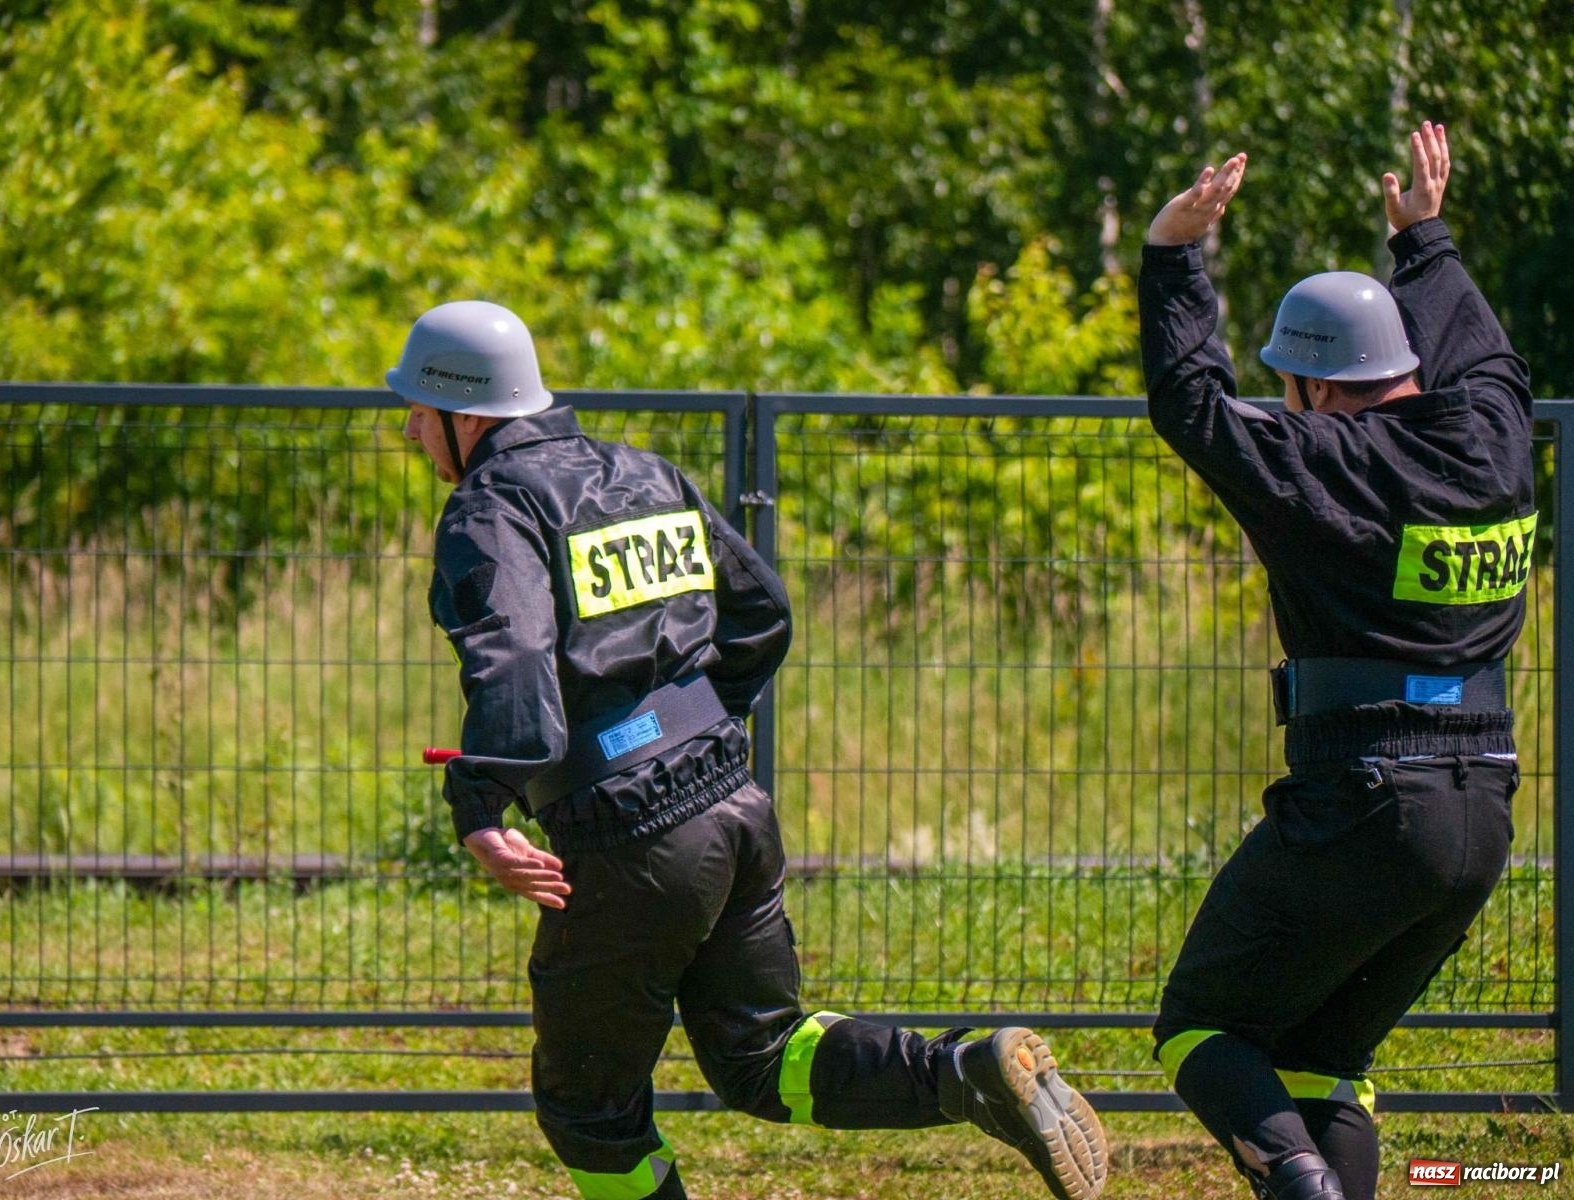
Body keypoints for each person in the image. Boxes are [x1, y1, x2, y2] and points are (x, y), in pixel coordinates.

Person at [390, 300, 1109, 1200]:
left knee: (589, 1109)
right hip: (732, 802)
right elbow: (762, 612)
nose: (410, 430)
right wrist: (690, 723)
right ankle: (965, 1068)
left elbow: (519, 657)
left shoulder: (489, 505)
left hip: (627, 836)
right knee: (765, 1057)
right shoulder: (644, 472)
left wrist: (480, 804)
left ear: (468, 413)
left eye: (418, 408)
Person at [1138, 123, 1532, 1200]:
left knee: (1200, 1026)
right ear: (1404, 365)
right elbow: (1490, 361)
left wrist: (1175, 257)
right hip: (1484, 809)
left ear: (1310, 388)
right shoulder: (1498, 444)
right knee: (1325, 1063)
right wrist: (1428, 244)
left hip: (1363, 798)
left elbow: (1193, 404)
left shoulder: (1320, 465)